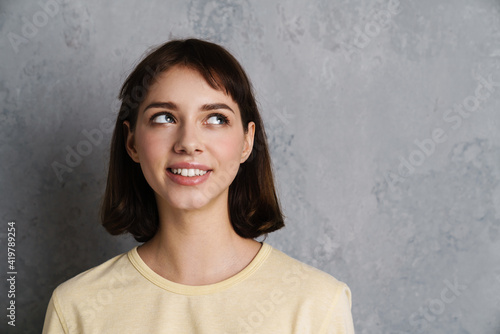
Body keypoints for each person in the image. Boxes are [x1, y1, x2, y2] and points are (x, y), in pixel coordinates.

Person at [42, 38, 355, 333]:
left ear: (247, 141)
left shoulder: (318, 304)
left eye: (216, 119)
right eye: (165, 117)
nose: (188, 143)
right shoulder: (75, 308)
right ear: (132, 141)